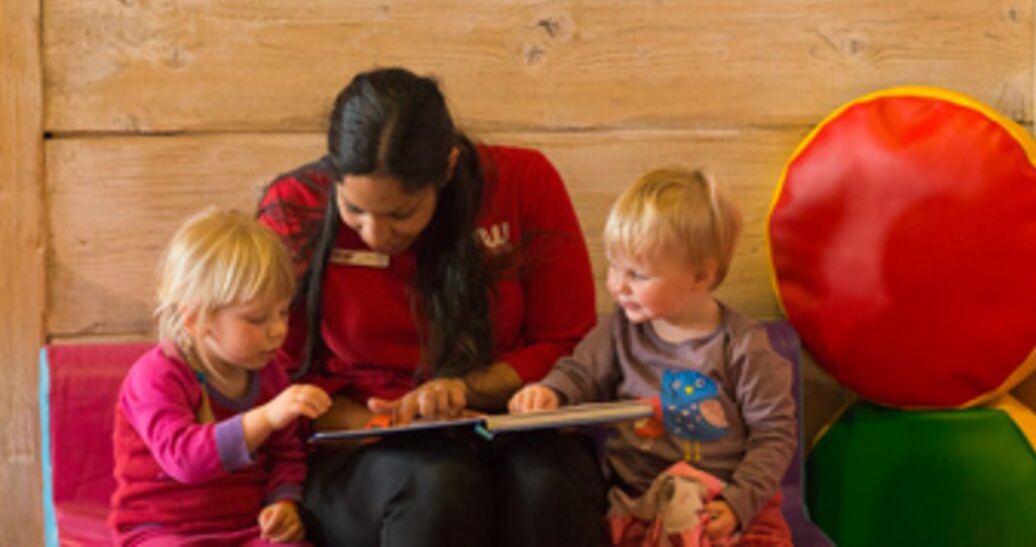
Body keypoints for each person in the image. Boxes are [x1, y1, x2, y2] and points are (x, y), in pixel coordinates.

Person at [256, 67, 606, 546]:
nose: (375, 234)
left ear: (447, 169)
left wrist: (463, 391)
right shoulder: (295, 207)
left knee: (546, 485)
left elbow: (569, 342)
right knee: (440, 487)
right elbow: (276, 374)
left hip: (509, 425)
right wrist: (389, 422)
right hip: (368, 446)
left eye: (400, 213)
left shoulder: (524, 181)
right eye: (354, 209)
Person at [510, 167, 798, 546]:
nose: (618, 285)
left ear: (700, 277)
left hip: (724, 507)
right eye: (614, 266)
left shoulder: (743, 347)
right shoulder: (620, 331)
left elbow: (774, 435)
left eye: (639, 275)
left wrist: (737, 502)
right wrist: (552, 392)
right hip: (640, 507)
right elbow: (579, 372)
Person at [110, 207, 332, 546]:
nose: (277, 331)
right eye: (257, 319)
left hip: (244, 530)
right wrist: (267, 417)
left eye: (283, 312)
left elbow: (286, 456)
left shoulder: (270, 376)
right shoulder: (157, 376)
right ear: (196, 319)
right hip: (161, 531)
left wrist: (284, 503)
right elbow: (183, 460)